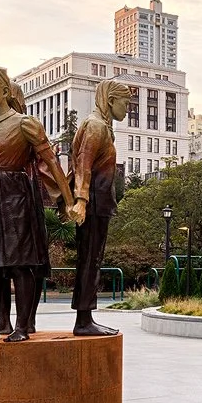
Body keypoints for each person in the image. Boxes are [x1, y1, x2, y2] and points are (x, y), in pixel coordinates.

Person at [0, 65, 74, 341]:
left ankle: (22, 326)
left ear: (6, 90)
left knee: (20, 263)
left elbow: (52, 163)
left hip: (15, 195)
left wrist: (69, 201)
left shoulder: (25, 124)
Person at [68, 79, 129, 336]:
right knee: (90, 259)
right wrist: (81, 202)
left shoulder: (101, 126)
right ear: (110, 100)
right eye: (125, 103)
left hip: (97, 202)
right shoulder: (95, 126)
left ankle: (86, 317)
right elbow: (83, 165)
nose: (128, 109)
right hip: (93, 203)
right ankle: (83, 321)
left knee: (92, 259)